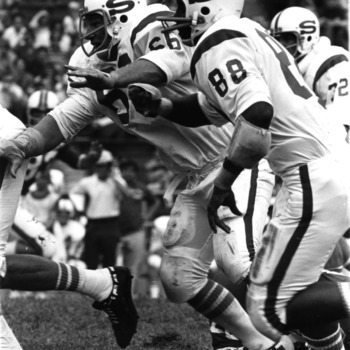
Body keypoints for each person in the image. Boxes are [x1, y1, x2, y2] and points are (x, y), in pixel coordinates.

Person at [0, 1, 285, 350]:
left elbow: (170, 61)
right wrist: (24, 143)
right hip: (193, 175)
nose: (88, 30)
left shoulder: (144, 25)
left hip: (234, 159)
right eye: (86, 21)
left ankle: (309, 325)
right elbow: (66, 118)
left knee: (239, 263)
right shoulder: (89, 63)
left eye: (95, 20)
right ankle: (257, 342)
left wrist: (116, 78)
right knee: (179, 279)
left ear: (120, 16)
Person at [127, 0, 350, 349]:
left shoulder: (218, 40)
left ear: (206, 7)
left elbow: (256, 118)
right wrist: (163, 107)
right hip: (322, 166)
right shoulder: (248, 33)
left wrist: (223, 183)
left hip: (311, 171)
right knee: (284, 295)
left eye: (183, 5)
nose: (177, 15)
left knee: (267, 308)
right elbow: (208, 109)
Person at [0, 107, 138, 349]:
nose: (39, 113)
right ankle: (101, 283)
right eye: (36, 110)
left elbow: (77, 157)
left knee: (48, 246)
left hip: (7, 148)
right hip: (12, 159)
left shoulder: (50, 143)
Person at [269, 6, 350, 141]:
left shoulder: (333, 63)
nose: (281, 46)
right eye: (277, 40)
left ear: (306, 37)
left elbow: (343, 127)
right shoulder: (294, 69)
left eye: (287, 38)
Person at [71, 150, 126, 269]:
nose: (100, 169)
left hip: (110, 224)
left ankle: (109, 286)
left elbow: (125, 194)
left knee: (109, 261)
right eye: (97, 166)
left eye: (103, 166)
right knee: (91, 260)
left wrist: (115, 176)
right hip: (93, 224)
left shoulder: (116, 182)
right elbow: (73, 195)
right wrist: (79, 211)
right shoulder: (87, 182)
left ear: (109, 167)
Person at [118, 159, 160, 297]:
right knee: (116, 266)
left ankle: (128, 296)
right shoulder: (116, 186)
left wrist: (147, 216)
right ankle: (114, 296)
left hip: (136, 230)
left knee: (133, 267)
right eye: (124, 170)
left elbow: (155, 202)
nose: (127, 173)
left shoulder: (141, 188)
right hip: (116, 231)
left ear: (135, 173)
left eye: (130, 170)